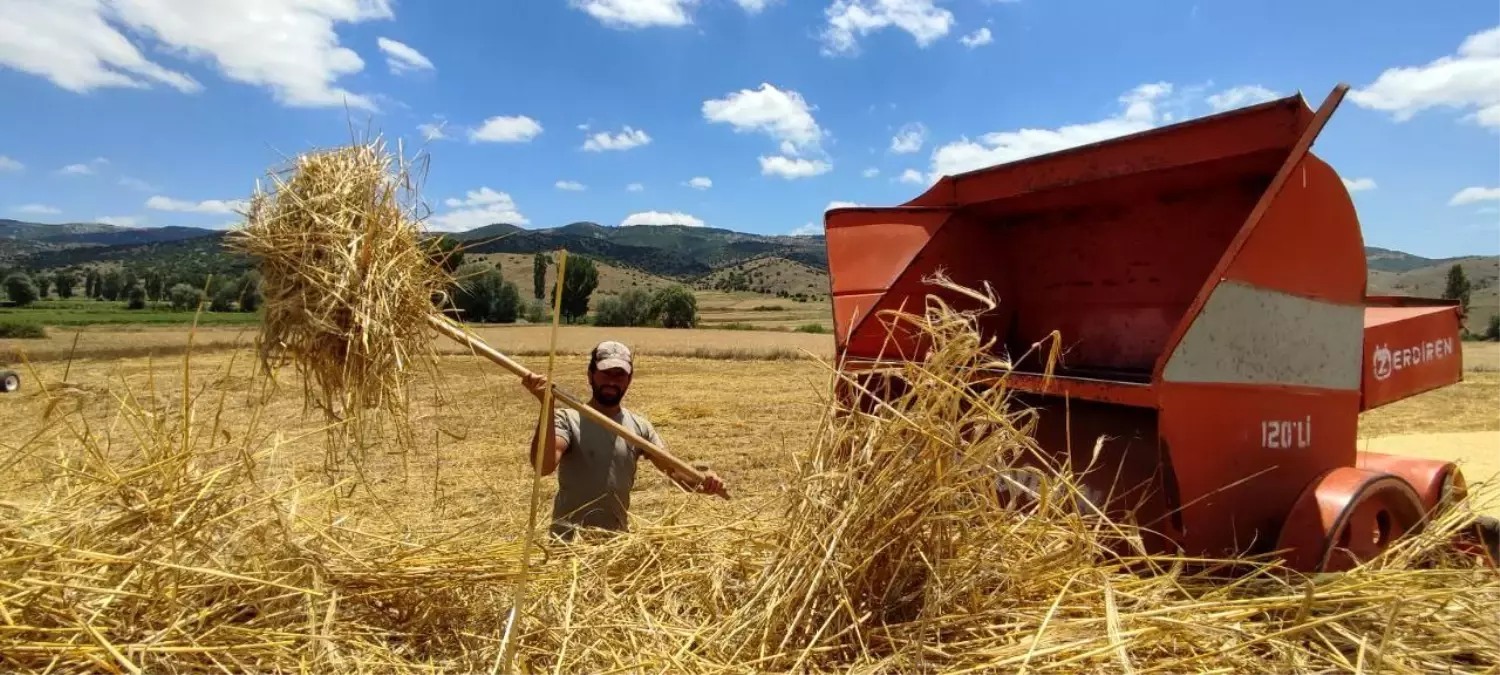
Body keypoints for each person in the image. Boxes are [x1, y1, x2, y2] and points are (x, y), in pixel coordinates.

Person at [521, 340, 725, 541]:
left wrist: (702, 480)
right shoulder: (567, 419)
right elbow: (543, 466)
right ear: (590, 375)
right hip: (569, 543)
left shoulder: (639, 428)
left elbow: (673, 470)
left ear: (629, 379)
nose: (612, 381)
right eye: (606, 373)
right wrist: (546, 406)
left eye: (619, 375)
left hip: (615, 545)